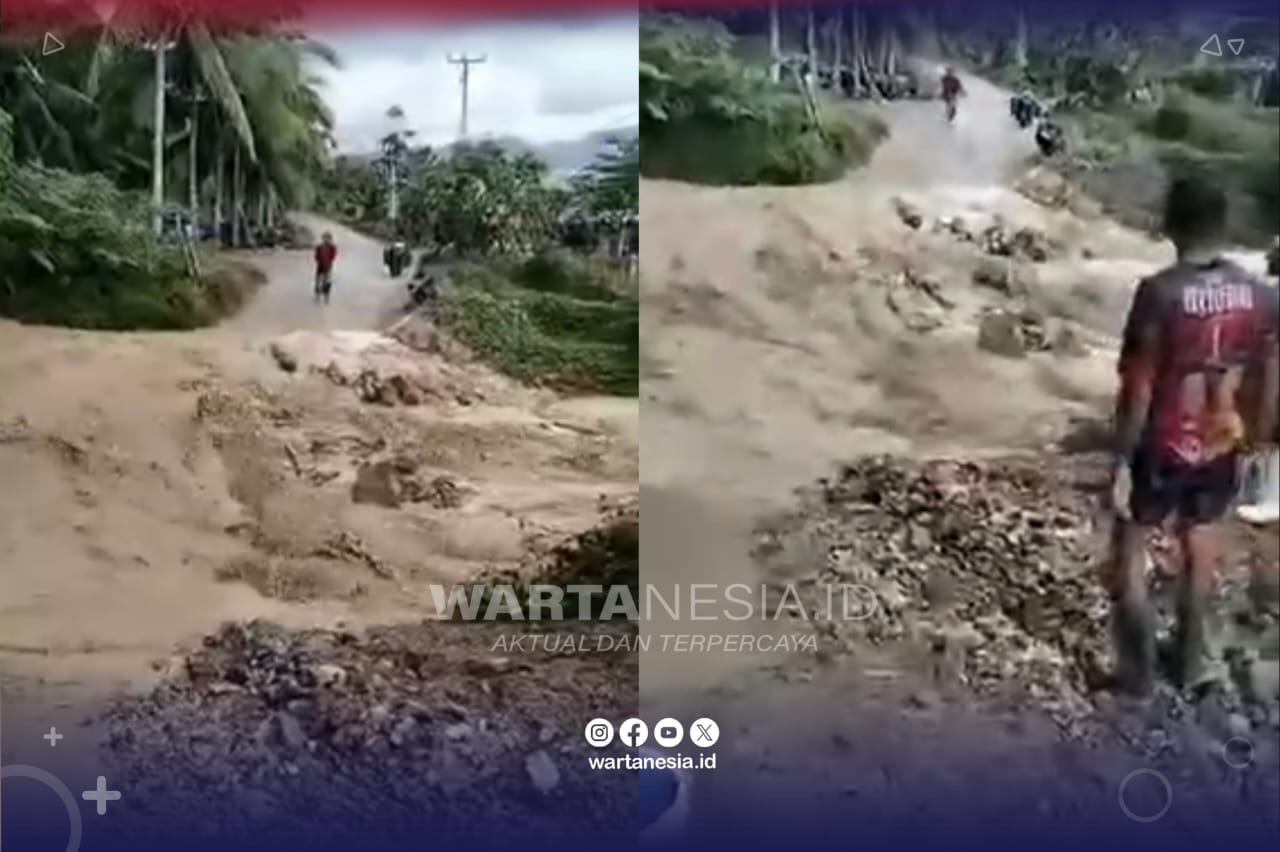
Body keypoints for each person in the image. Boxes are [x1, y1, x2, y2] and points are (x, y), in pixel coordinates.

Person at [1105, 175, 1280, 695]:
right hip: (1222, 438)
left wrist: (1119, 458)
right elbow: (1270, 375)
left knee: (1128, 549)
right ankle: (1188, 663)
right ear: (1224, 226)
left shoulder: (1159, 293)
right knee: (1199, 544)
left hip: (1161, 441)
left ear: (1170, 222)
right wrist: (1258, 442)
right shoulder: (1261, 295)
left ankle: (1136, 674)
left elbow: (1137, 386)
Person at [314, 232, 337, 304]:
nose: (326, 239)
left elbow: (333, 256)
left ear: (330, 239)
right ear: (323, 239)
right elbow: (316, 255)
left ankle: (326, 295)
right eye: (325, 238)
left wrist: (328, 262)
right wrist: (319, 261)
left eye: (328, 238)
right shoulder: (319, 247)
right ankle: (317, 294)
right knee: (318, 280)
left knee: (327, 280)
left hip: (328, 265)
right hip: (320, 265)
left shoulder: (332, 247)